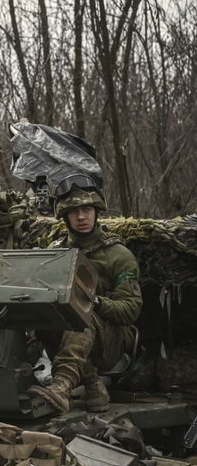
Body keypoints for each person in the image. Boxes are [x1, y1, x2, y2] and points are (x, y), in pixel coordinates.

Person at [27, 174, 142, 414]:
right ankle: (93, 387)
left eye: (87, 209)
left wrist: (96, 303)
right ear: (65, 216)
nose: (81, 216)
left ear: (96, 211)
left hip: (111, 343)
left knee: (81, 314)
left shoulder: (118, 254)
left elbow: (131, 309)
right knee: (45, 318)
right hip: (71, 338)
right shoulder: (56, 253)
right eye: (74, 211)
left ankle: (62, 387)